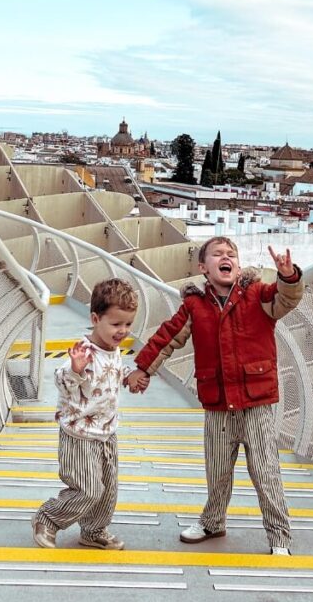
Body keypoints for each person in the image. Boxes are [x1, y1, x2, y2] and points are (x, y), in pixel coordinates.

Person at [126, 237, 303, 555]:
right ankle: (213, 521)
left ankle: (279, 537)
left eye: (231, 254)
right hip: (218, 404)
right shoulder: (194, 305)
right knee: (218, 471)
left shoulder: (256, 293)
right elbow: (168, 336)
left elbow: (285, 300)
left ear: (237, 264)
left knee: (266, 473)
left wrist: (288, 276)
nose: (226, 258)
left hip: (256, 402)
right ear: (203, 268)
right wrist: (143, 369)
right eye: (218, 254)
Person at [32, 278, 147, 550]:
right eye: (116, 324)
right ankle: (48, 518)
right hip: (80, 434)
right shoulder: (83, 352)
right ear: (96, 318)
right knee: (88, 490)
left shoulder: (113, 349)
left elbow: (112, 373)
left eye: (128, 324)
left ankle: (94, 530)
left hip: (107, 432)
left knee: (107, 492)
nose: (123, 331)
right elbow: (61, 381)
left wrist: (129, 378)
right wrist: (75, 369)